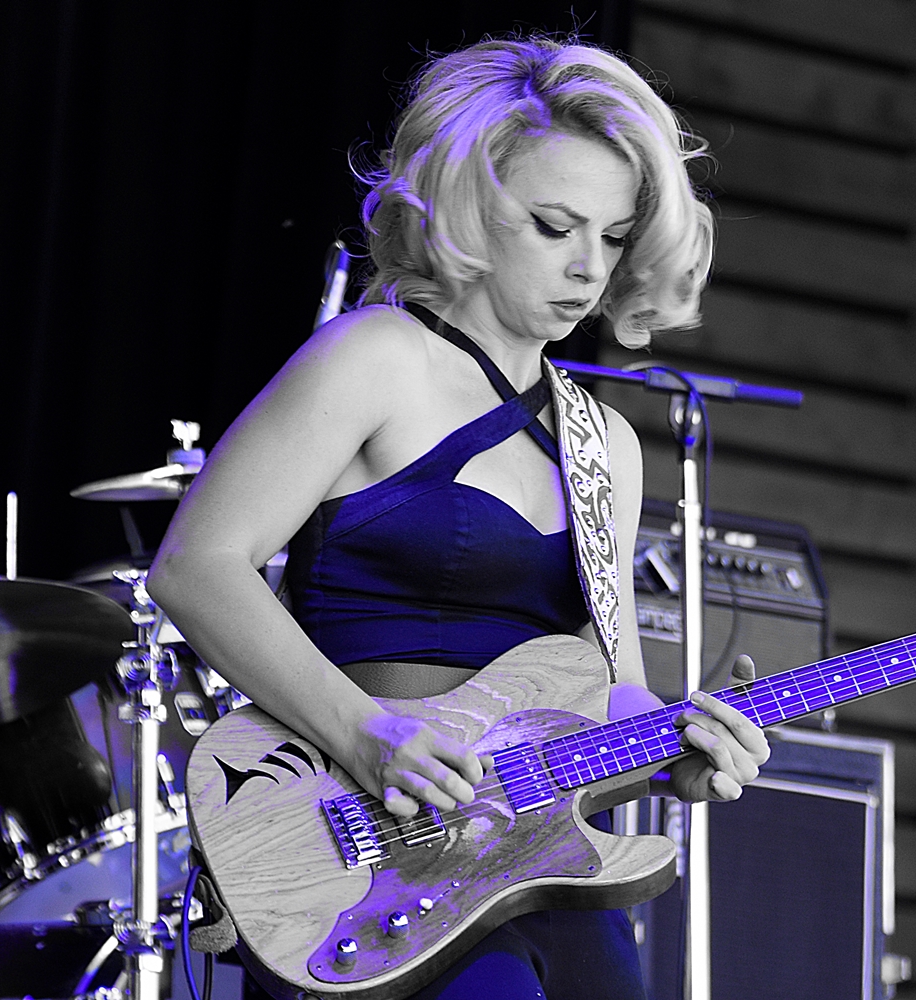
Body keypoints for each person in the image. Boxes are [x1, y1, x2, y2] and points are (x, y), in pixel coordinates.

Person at [147, 35, 769, 999]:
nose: (588, 269)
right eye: (555, 227)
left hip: (536, 872)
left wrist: (671, 758)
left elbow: (609, 696)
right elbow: (196, 567)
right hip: (356, 850)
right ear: (472, 208)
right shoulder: (375, 357)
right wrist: (366, 733)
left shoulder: (607, 443)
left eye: (613, 238)